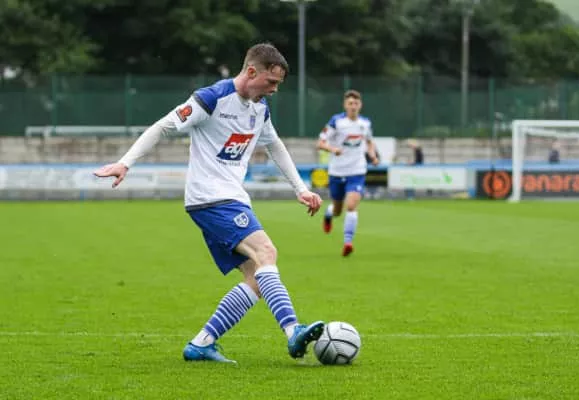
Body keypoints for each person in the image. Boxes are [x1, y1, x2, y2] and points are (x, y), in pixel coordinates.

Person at [94, 43, 324, 363]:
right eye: (271, 82)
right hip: (212, 198)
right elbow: (163, 127)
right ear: (251, 71)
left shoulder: (259, 109)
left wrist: (300, 188)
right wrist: (125, 163)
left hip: (227, 199)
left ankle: (201, 344)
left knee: (257, 277)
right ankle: (292, 330)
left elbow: (275, 145)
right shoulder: (211, 98)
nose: (274, 90)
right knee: (266, 253)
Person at [316, 90, 379, 257]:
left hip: (357, 171)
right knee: (337, 211)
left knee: (351, 206)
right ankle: (329, 214)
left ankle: (348, 242)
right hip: (337, 171)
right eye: (350, 103)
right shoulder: (336, 122)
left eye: (356, 103)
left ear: (360, 105)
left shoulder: (365, 123)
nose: (353, 106)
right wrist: (333, 149)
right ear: (345, 105)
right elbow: (320, 143)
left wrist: (373, 156)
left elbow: (369, 142)